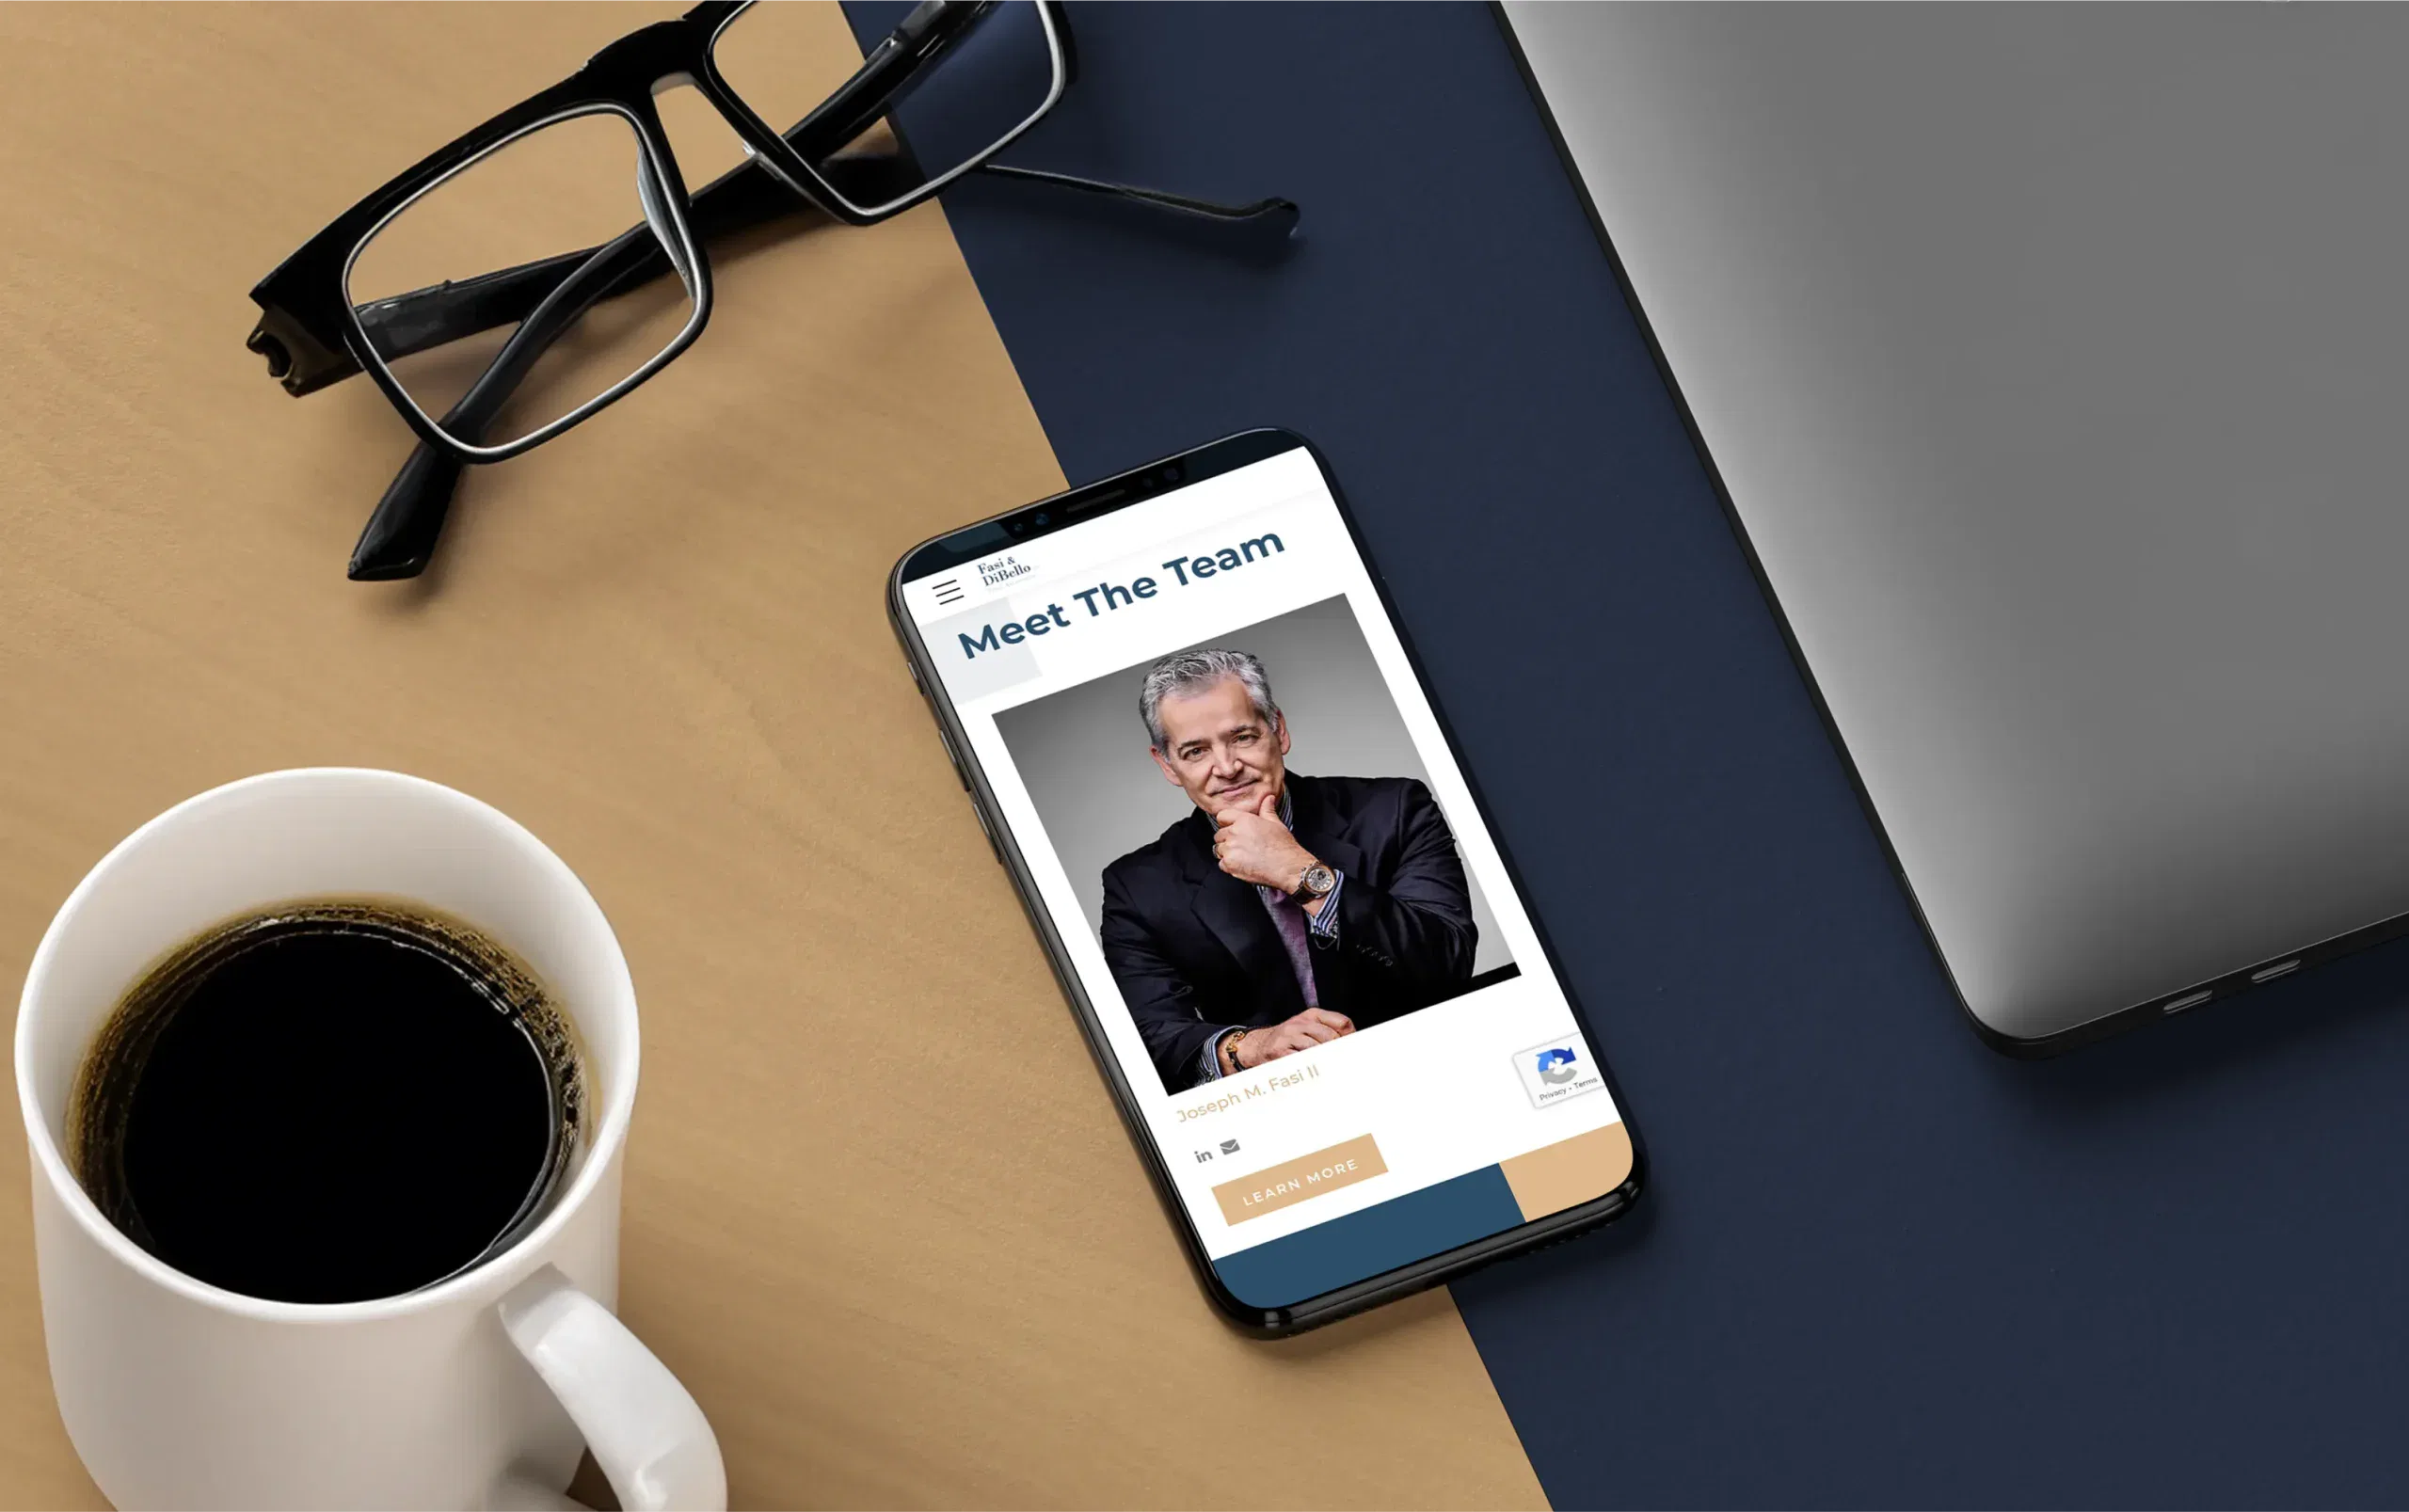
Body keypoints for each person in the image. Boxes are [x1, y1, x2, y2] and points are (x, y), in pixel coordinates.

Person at [1100, 647, 1476, 1093]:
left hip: (1426, 1072)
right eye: (1196, 751)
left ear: (1277, 729)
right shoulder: (1137, 885)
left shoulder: (1395, 811)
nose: (1226, 768)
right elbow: (1149, 1034)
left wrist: (1303, 874)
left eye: (1241, 737)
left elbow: (1447, 963)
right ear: (1168, 765)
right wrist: (1253, 1047)